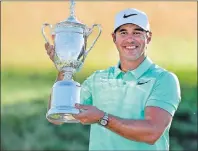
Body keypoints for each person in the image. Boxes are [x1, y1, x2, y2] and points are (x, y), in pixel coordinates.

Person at [45, 8, 181, 150]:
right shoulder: (97, 79)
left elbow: (152, 132)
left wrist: (102, 118)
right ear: (114, 38)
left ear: (149, 37)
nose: (130, 39)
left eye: (137, 32)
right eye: (123, 32)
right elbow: (58, 115)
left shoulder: (164, 79)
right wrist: (64, 68)